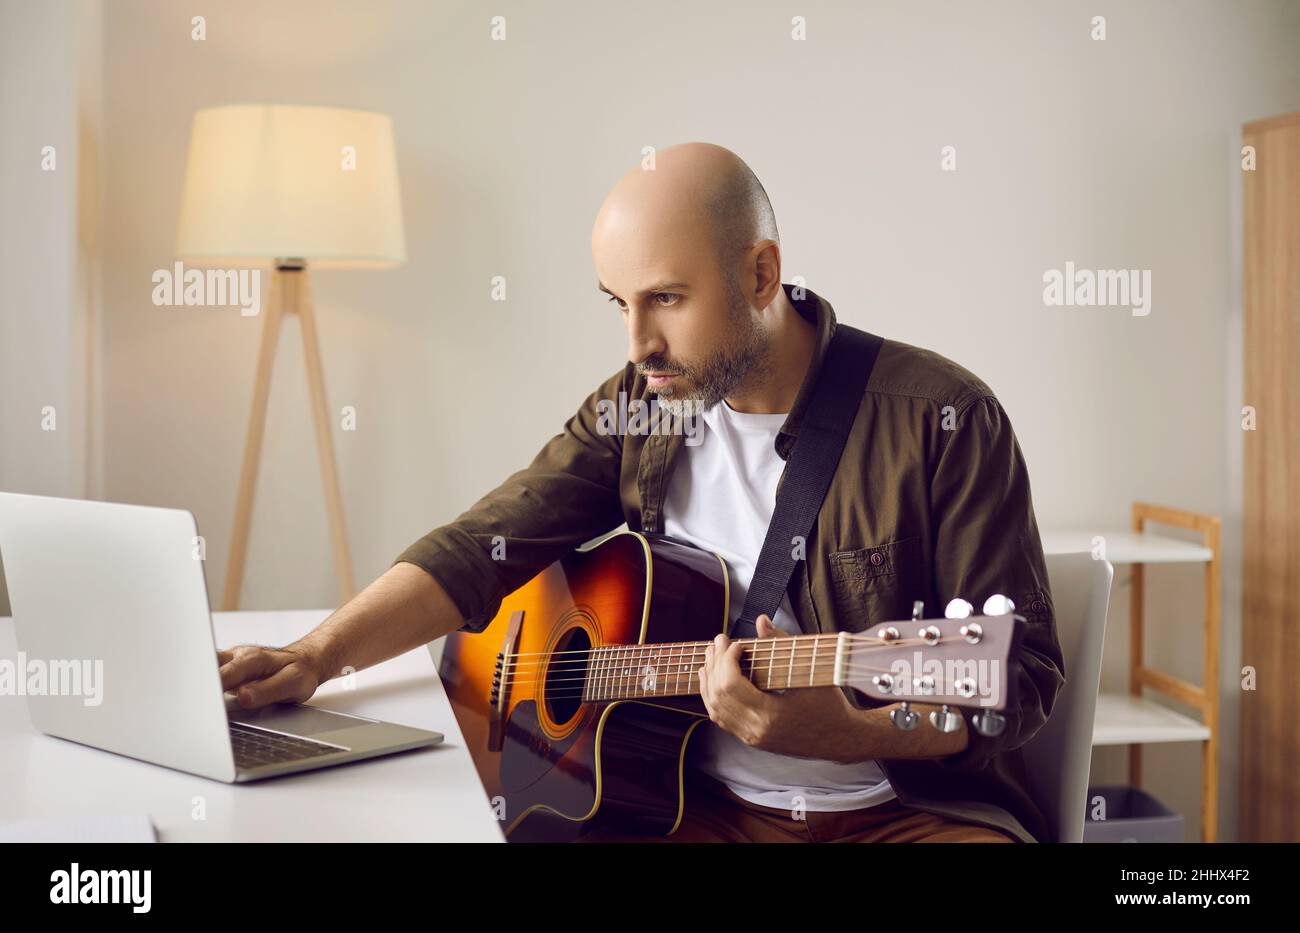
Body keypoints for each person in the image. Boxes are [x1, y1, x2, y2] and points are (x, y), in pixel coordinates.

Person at [219, 142, 1065, 843]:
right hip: (685, 805)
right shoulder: (641, 405)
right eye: (618, 302)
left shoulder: (943, 418)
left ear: (761, 273)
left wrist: (845, 730)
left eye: (666, 298)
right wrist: (317, 655)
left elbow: (1013, 681)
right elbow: (489, 541)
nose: (638, 342)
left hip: (901, 814)